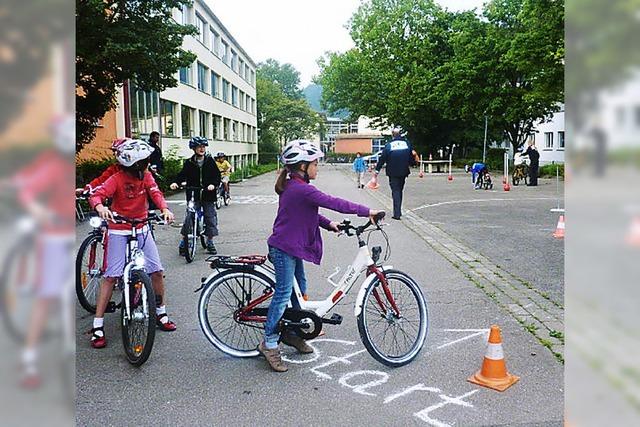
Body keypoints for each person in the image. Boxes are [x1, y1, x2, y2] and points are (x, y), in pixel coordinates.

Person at [259, 140, 382, 372]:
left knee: (299, 293)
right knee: (284, 293)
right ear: (302, 166)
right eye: (315, 163)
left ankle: (293, 332)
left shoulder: (295, 186)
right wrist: (368, 211)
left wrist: (329, 224)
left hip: (291, 247)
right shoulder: (301, 188)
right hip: (284, 248)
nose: (318, 167)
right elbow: (332, 202)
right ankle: (269, 342)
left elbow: (307, 214)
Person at [88, 139, 176, 349]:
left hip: (142, 227)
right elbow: (97, 194)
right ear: (136, 164)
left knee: (156, 271)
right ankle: (98, 325)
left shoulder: (146, 176)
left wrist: (164, 208)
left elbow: (155, 192)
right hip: (118, 229)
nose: (147, 164)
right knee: (111, 276)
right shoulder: (117, 178)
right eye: (145, 162)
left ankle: (160, 312)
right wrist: (100, 207)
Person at [170, 136, 221, 255]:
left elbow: (216, 176)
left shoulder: (210, 161)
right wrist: (175, 183)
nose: (202, 149)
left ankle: (210, 241)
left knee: (210, 216)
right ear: (194, 149)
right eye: (199, 147)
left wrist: (213, 184)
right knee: (190, 215)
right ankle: (184, 240)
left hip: (208, 194)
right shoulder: (189, 162)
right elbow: (182, 174)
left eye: (203, 147)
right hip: (193, 193)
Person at [374, 127, 416, 220]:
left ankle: (397, 213)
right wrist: (412, 163)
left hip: (392, 172)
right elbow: (411, 156)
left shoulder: (389, 145)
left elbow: (382, 158)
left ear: (392, 135)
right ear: (400, 134)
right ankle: (398, 210)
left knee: (395, 191)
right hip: (404, 172)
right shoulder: (406, 144)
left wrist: (377, 170)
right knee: (400, 190)